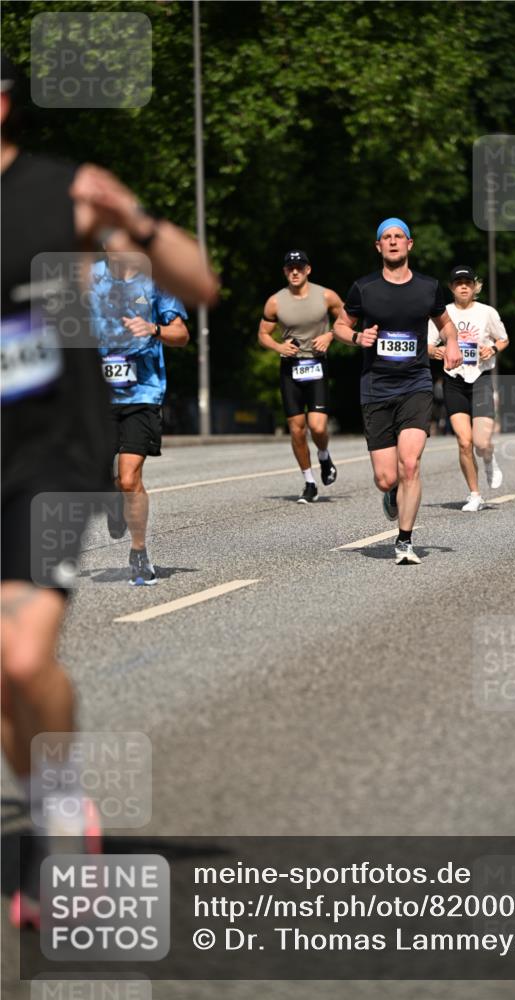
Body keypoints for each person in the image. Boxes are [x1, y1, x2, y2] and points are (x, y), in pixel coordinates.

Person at [0, 53, 218, 926]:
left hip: (50, 455)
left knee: (19, 656)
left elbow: (197, 287)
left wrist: (135, 215)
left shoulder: (67, 191)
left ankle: (58, 810)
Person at [334, 218, 460, 564]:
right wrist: (358, 338)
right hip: (375, 386)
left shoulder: (428, 287)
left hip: (416, 384)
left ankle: (404, 541)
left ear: (409, 244)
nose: (392, 242)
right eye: (386, 238)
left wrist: (452, 345)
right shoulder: (364, 288)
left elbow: (445, 324)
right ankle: (391, 493)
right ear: (378, 247)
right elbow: (340, 327)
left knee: (410, 464)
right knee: (386, 476)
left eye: (398, 237)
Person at [90, 252, 189, 585]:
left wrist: (154, 328)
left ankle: (139, 554)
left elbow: (182, 334)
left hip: (142, 393)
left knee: (129, 479)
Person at [258, 251, 343, 503]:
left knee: (317, 426)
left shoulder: (326, 296)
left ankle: (324, 455)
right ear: (285, 272)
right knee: (296, 430)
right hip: (290, 368)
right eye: (290, 268)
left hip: (316, 365)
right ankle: (309, 482)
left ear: (308, 270)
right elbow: (262, 334)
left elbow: (346, 321)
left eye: (299, 267)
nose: (294, 272)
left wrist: (329, 336)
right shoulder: (275, 302)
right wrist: (278, 347)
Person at [428, 265, 508, 510]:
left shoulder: (487, 312)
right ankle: (475, 494)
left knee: (482, 442)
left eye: (468, 282)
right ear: (451, 287)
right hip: (454, 380)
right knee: (464, 442)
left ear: (475, 286)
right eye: (458, 282)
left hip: (481, 378)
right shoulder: (442, 313)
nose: (463, 286)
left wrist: (492, 349)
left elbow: (503, 339)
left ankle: (488, 458)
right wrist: (436, 351)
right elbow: (428, 345)